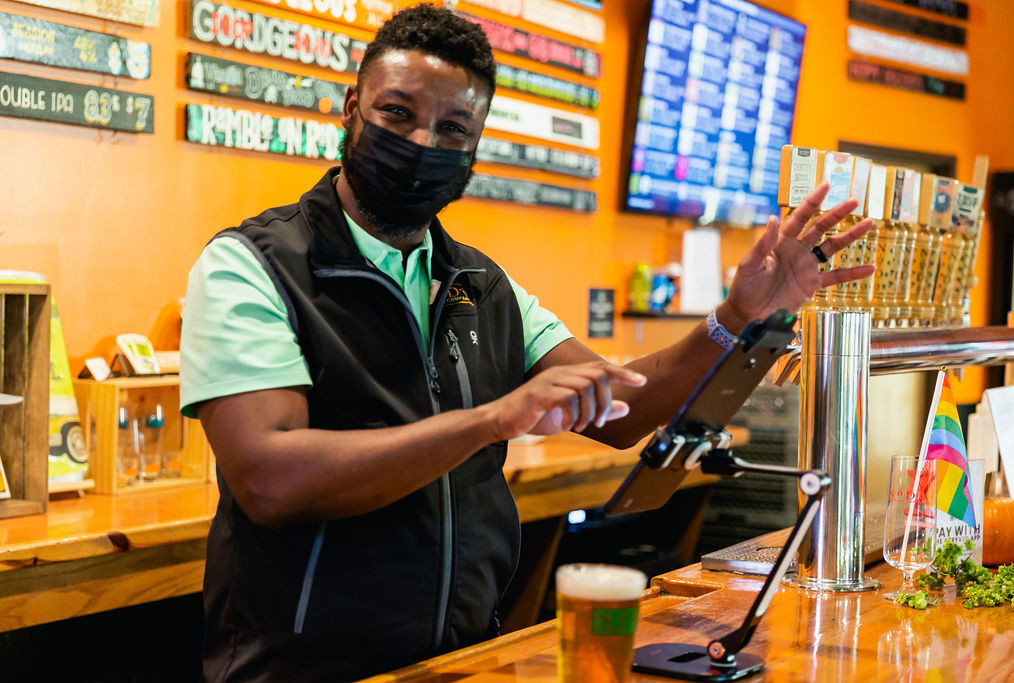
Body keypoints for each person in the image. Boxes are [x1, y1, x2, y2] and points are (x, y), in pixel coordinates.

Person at [180, 5, 873, 681]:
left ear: (474, 148)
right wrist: (491, 419)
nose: (422, 143)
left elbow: (625, 410)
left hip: (465, 660)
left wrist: (739, 315)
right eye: (397, 114)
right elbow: (269, 475)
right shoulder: (253, 264)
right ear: (350, 108)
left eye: (452, 127)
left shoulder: (481, 284)